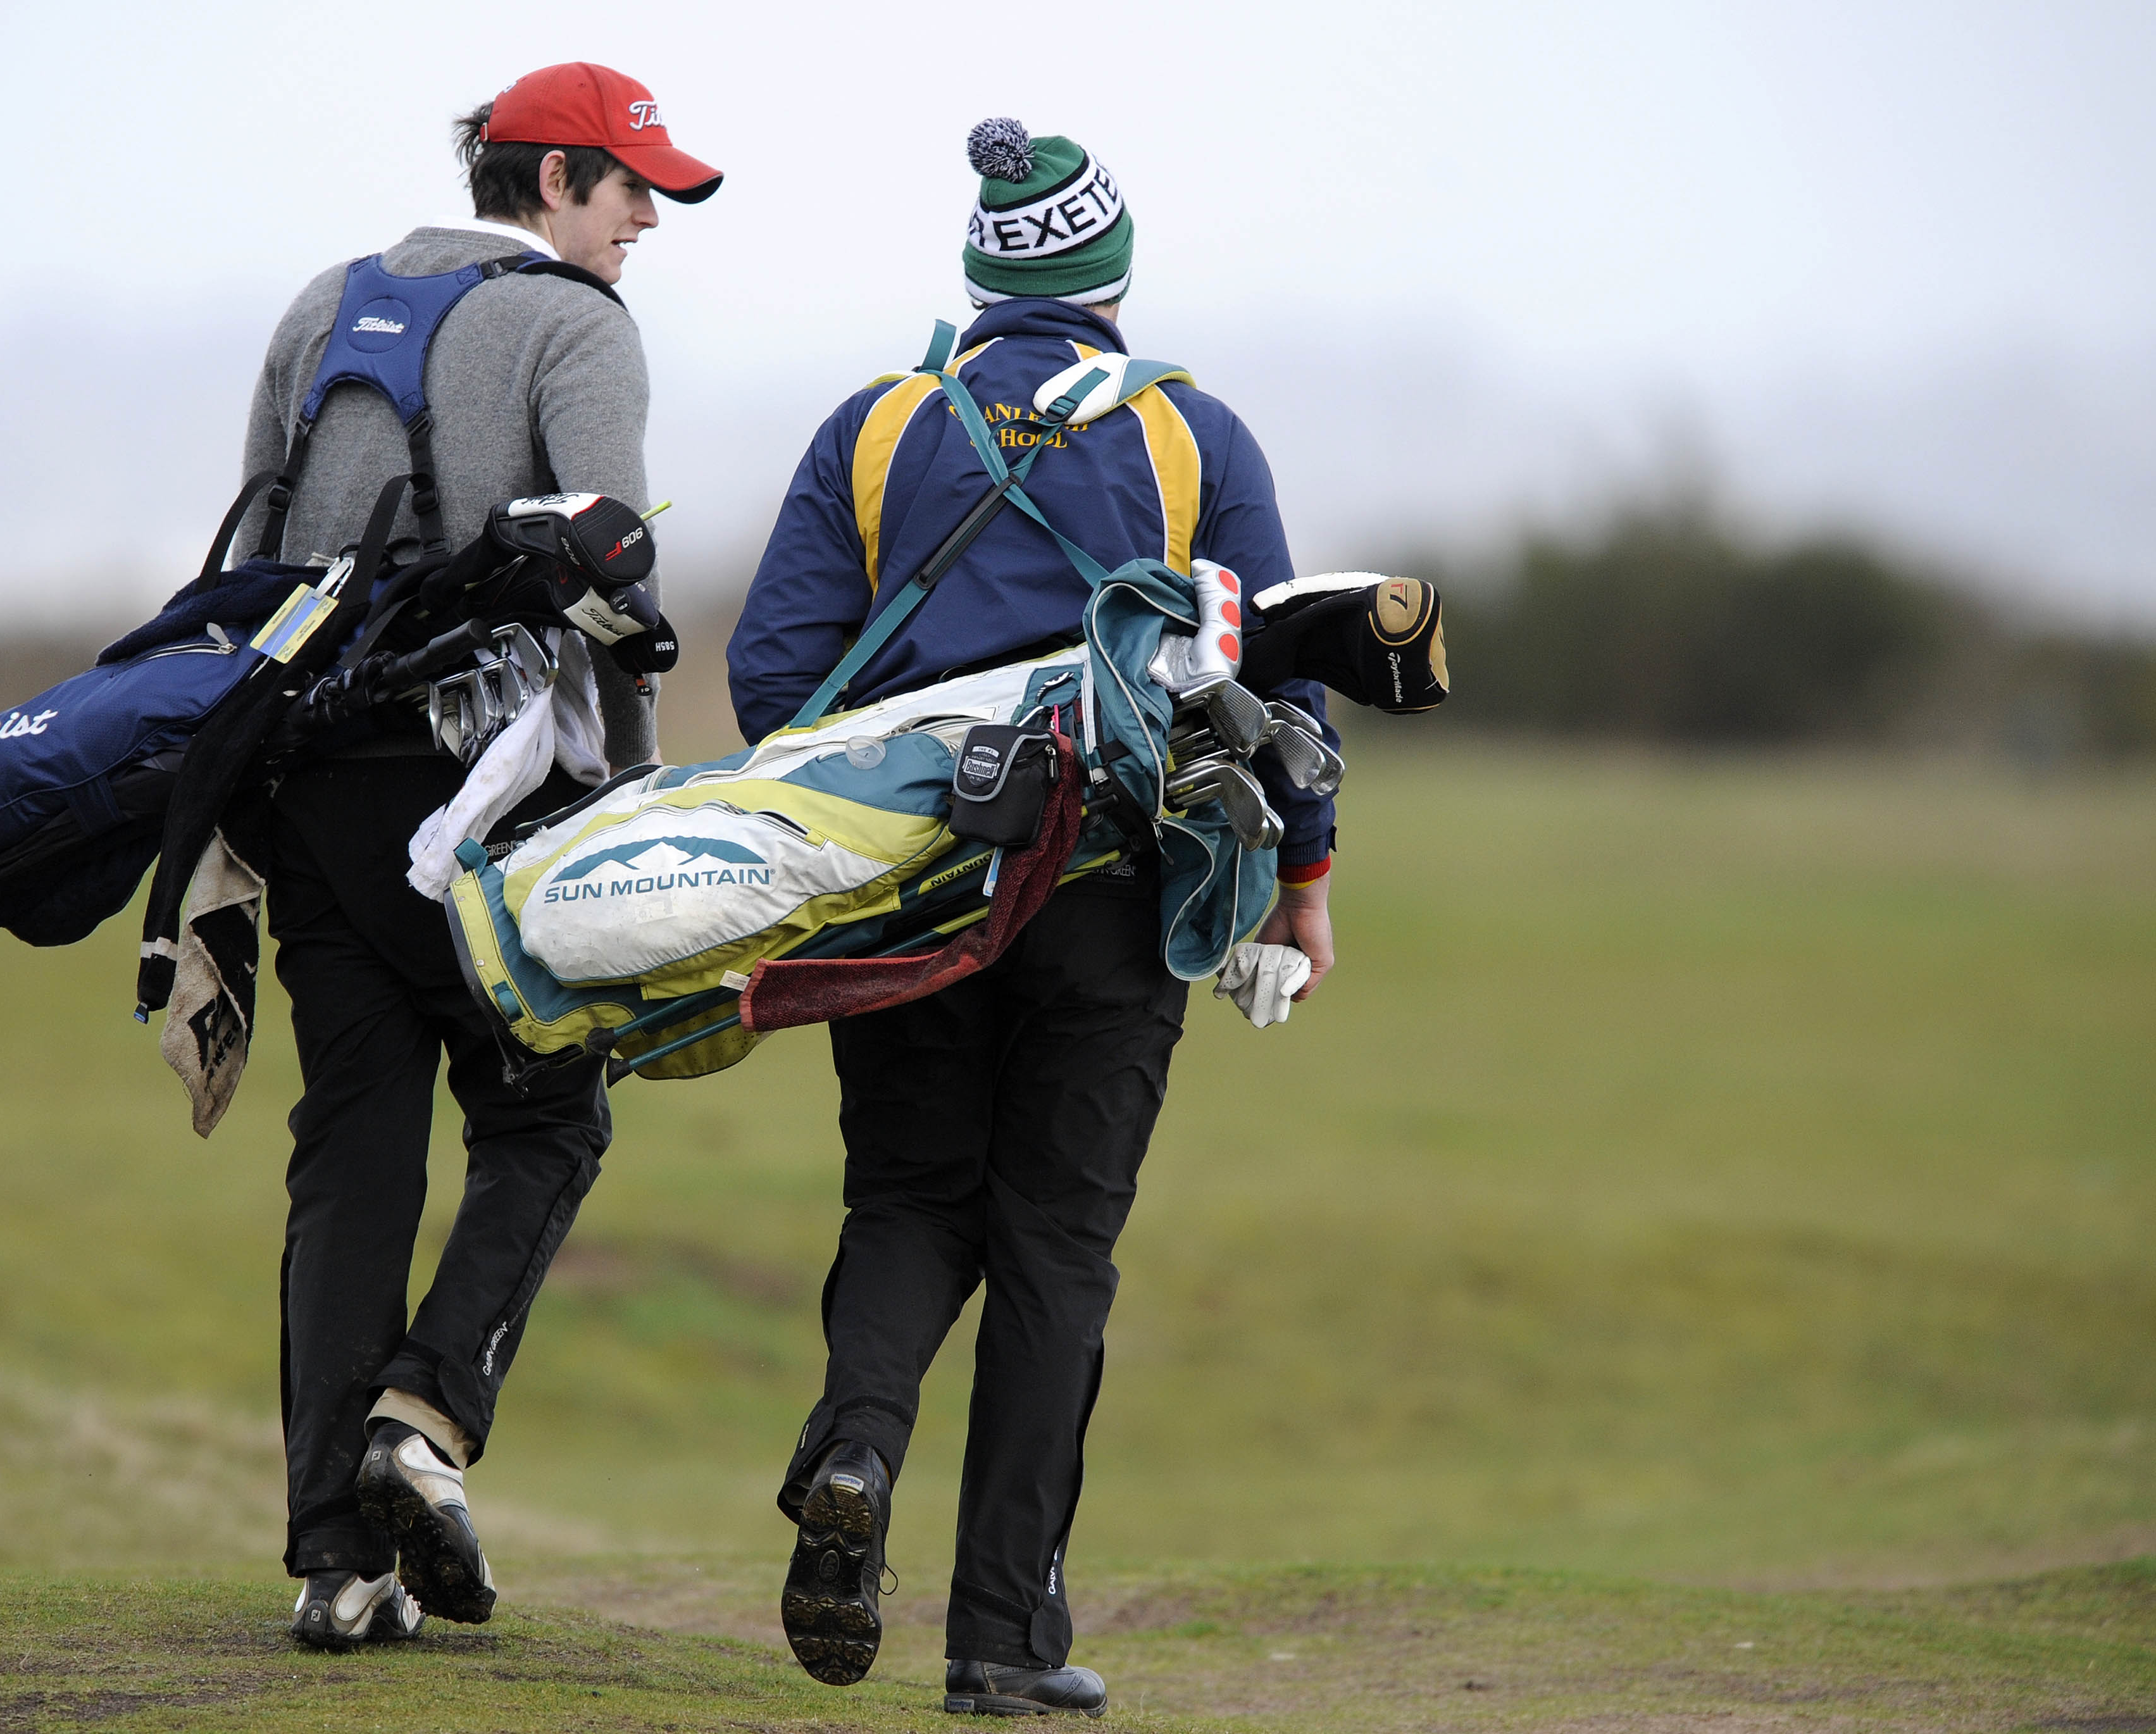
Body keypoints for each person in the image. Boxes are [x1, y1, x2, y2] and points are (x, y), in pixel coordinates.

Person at [725, 118, 1338, 1716]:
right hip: (1117, 897)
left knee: (912, 1197)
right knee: (1057, 1241)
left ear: (987, 272)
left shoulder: (878, 427)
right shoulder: (1195, 439)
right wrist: (1307, 882)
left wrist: (873, 840)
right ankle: (1002, 1638)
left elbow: (777, 678)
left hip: (914, 891)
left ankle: (858, 1442)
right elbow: (1281, 690)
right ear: (1114, 277)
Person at [238, 63, 720, 1648]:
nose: (647, 218)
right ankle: (424, 1420)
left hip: (310, 788)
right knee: (550, 1115)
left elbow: (252, 562)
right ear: (557, 178)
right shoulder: (580, 326)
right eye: (632, 187)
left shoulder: (325, 301)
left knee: (352, 1153)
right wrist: (633, 810)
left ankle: (336, 1560)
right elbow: (615, 602)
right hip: (482, 809)